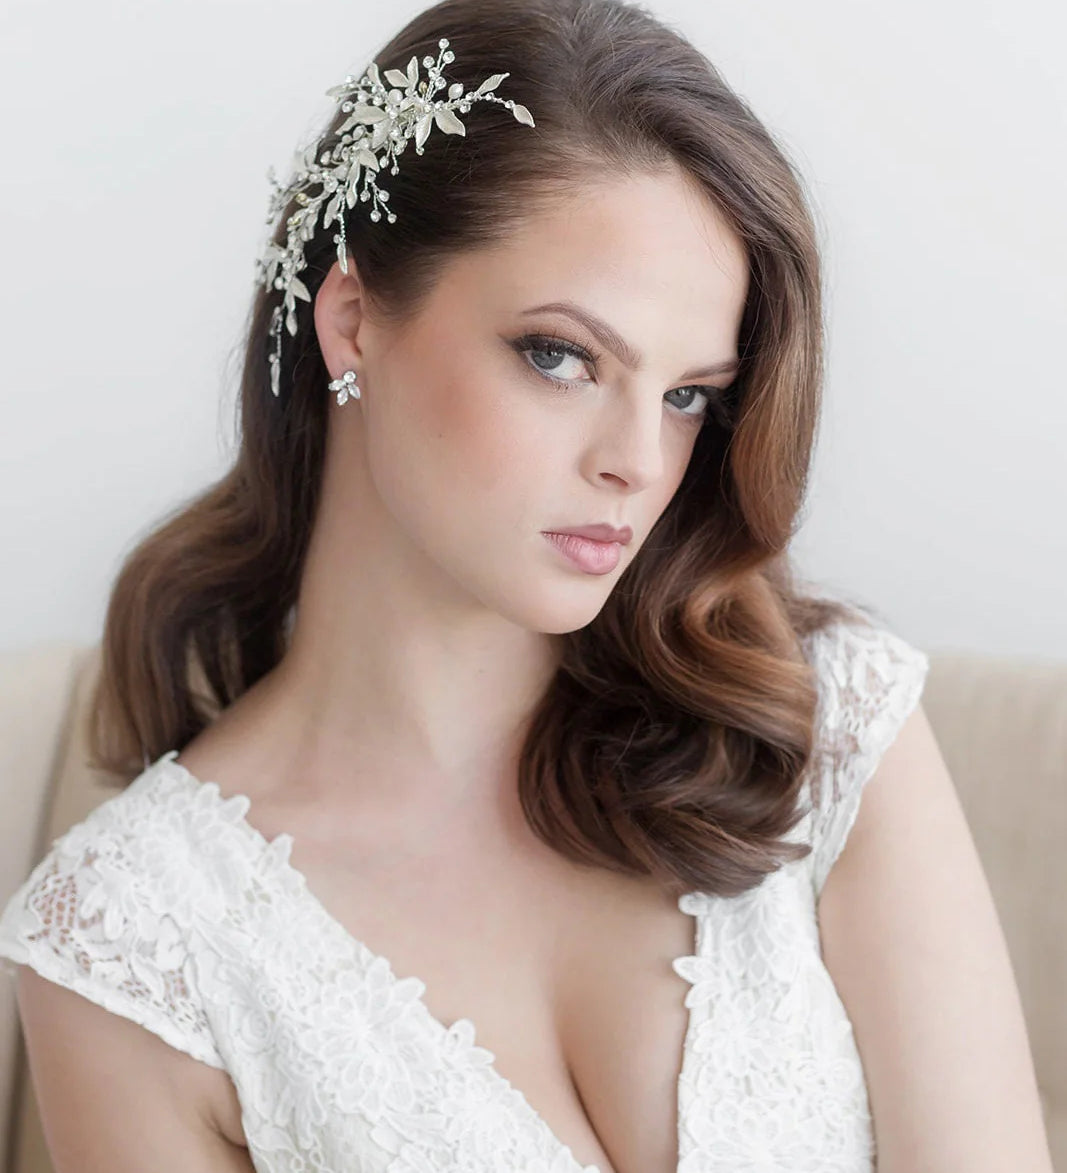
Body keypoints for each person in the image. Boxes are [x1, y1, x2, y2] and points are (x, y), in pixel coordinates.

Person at [0, 0, 1053, 1170]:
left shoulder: (822, 731)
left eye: (686, 394)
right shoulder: (129, 945)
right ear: (351, 321)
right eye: (561, 357)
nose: (637, 462)